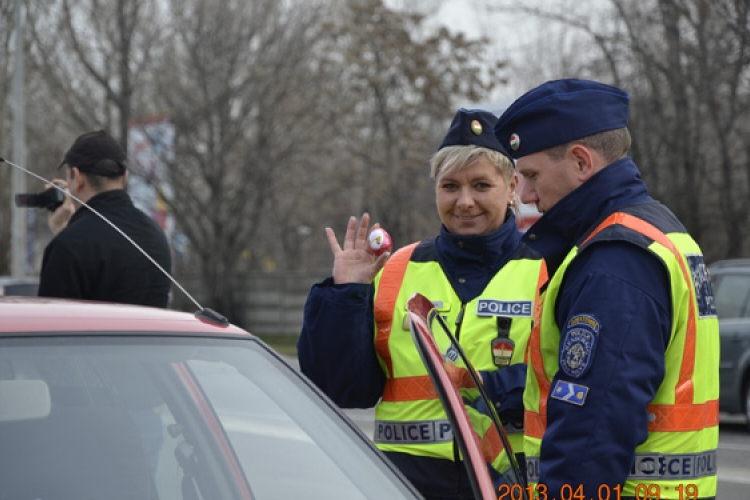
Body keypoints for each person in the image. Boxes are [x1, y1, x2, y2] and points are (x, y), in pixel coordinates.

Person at [297, 108, 547, 499]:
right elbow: (341, 390)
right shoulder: (395, 271)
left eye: (481, 185)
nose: (464, 202)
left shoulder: (547, 271)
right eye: (450, 186)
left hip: (508, 483)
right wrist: (346, 294)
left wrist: (491, 388)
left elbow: (567, 381)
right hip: (404, 485)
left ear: (512, 187)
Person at [494, 79, 719, 499]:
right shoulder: (660, 230)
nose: (523, 195)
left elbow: (594, 427)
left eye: (530, 175)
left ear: (581, 162)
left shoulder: (615, 258)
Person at [38, 129, 172, 308]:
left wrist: (66, 236)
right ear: (125, 177)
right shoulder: (157, 236)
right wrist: (65, 230)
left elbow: (51, 328)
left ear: (77, 178)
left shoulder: (68, 246)